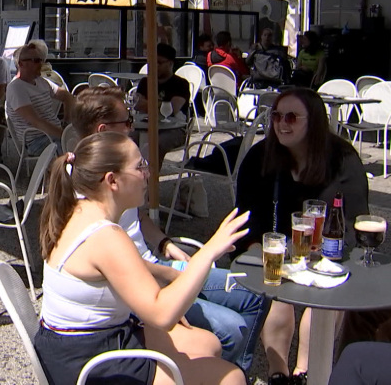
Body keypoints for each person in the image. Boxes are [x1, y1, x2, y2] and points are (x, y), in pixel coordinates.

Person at [71, 86, 268, 372]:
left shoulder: (117, 171)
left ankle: (234, 373)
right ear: (103, 129)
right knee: (232, 329)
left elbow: (139, 219)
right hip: (143, 284)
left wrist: (166, 245)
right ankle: (219, 373)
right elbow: (120, 272)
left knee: (254, 293)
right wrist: (179, 270)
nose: (133, 124)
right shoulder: (90, 190)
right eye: (127, 121)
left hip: (156, 267)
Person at [35, 130, 248, 385]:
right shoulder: (105, 236)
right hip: (88, 362)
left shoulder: (77, 209)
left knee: (209, 343)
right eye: (140, 166)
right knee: (231, 376)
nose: (148, 173)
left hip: (72, 345)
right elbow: (162, 314)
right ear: (112, 180)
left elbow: (141, 292)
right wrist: (210, 250)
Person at [235, 88, 369, 385]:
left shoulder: (342, 158)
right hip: (274, 251)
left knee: (325, 298)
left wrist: (329, 254)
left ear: (315, 121)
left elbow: (356, 220)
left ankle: (305, 373)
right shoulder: (261, 156)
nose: (283, 124)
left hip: (327, 253)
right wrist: (257, 246)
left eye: (292, 117)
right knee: (279, 295)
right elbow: (245, 215)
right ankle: (278, 374)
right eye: (278, 116)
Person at [5, 42, 74, 155]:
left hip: (53, 134)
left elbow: (68, 97)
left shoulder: (42, 81)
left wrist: (66, 122)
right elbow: (36, 122)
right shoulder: (16, 87)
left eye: (42, 60)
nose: (41, 64)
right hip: (35, 141)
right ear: (21, 64)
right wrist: (64, 134)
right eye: (36, 60)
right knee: (74, 148)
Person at [133, 43, 190, 169]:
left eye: (159, 62)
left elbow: (172, 109)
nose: (154, 66)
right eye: (151, 62)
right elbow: (137, 105)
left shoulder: (180, 84)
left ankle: (150, 180)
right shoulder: (145, 82)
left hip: (174, 129)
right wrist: (160, 105)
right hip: (145, 125)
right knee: (126, 141)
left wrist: (148, 105)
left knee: (154, 145)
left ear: (170, 64)